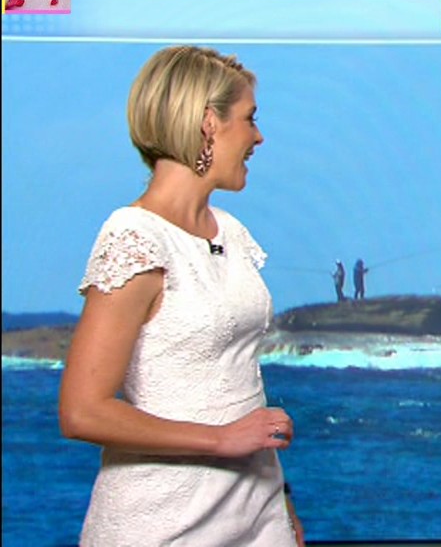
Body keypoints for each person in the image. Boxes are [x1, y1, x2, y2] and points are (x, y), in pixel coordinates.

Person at [58, 45, 304, 546]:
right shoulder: (134, 238)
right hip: (164, 523)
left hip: (258, 515)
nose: (258, 137)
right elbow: (82, 411)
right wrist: (222, 439)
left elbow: (238, 381)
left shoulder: (231, 232)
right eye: (249, 119)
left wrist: (284, 507)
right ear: (209, 123)